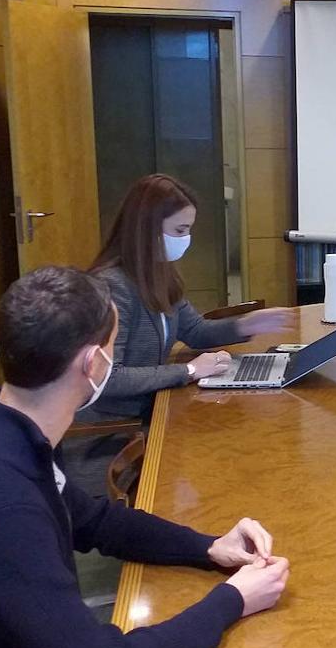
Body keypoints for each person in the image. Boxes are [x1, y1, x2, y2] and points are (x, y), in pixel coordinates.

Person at [0, 266, 291, 648]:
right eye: (113, 348)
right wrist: (233, 600)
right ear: (92, 365)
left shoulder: (11, 434)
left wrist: (208, 547)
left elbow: (95, 521)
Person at [62, 174, 294, 495]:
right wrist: (188, 371)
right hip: (114, 434)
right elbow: (108, 379)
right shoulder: (112, 287)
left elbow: (194, 330)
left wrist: (246, 325)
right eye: (180, 231)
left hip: (152, 414)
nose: (186, 240)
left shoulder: (158, 272)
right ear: (147, 230)